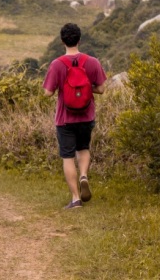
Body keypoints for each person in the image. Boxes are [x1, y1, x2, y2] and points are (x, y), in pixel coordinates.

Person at [43, 23, 106, 209]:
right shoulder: (92, 62)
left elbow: (47, 93)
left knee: (68, 157)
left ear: (62, 41)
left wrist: (64, 88)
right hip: (86, 116)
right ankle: (84, 176)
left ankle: (76, 198)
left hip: (65, 119)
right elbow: (101, 89)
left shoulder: (57, 64)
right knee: (83, 148)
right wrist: (85, 89)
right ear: (80, 39)